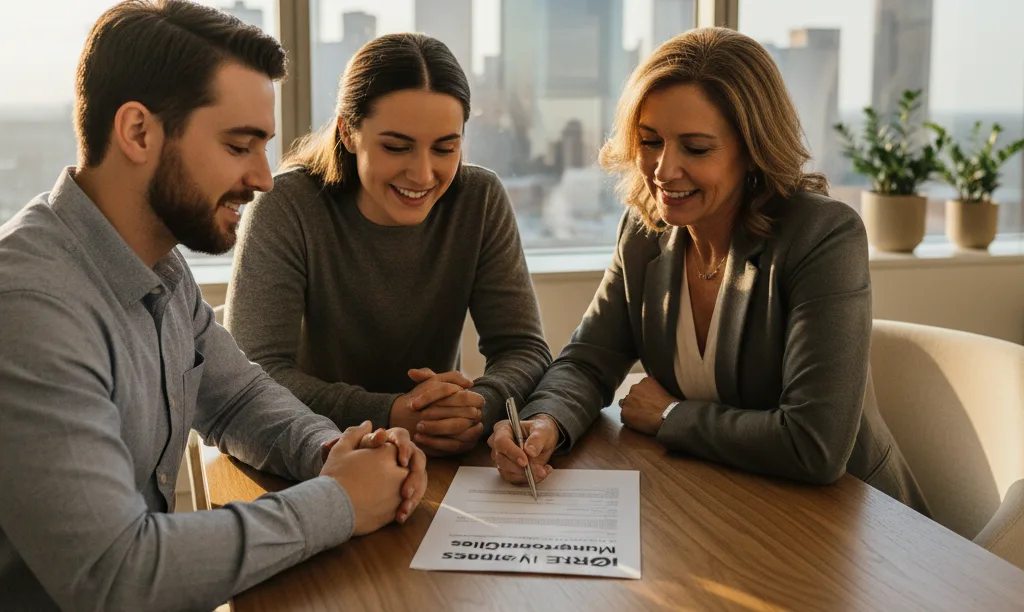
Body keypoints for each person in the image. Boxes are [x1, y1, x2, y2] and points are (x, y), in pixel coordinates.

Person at [0, 2, 426, 610]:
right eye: (238, 146)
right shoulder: (31, 307)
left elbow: (237, 397)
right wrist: (338, 502)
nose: (264, 178)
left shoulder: (157, 264)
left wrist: (332, 452)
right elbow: (115, 573)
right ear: (138, 132)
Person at [488, 27, 929, 513]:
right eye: (650, 141)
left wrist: (672, 415)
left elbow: (814, 445)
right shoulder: (645, 231)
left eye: (695, 148)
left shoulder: (823, 236)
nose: (663, 170)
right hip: (724, 504)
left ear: (753, 148)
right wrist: (546, 422)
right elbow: (588, 361)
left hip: (856, 522)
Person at [225, 33, 552, 456]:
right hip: (318, 453)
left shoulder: (480, 198)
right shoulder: (287, 205)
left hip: (438, 457)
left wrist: (475, 408)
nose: (422, 174)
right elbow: (257, 373)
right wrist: (391, 413)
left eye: (445, 148)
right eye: (396, 147)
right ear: (348, 132)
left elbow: (523, 348)